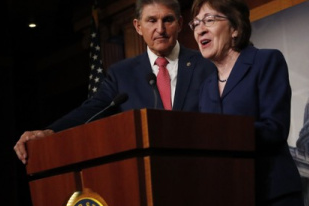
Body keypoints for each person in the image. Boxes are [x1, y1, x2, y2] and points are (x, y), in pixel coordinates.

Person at [13, 0, 216, 164]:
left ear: (180, 23)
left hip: (199, 165)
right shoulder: (122, 74)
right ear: (138, 26)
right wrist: (49, 132)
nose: (160, 29)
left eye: (168, 20)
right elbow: (91, 110)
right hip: (147, 171)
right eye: (151, 21)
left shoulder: (206, 65)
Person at [189, 0, 309, 206]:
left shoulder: (266, 61)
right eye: (196, 23)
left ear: (234, 28)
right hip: (230, 204)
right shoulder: (206, 86)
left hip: (272, 196)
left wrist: (220, 134)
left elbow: (275, 128)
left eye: (209, 20)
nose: (200, 29)